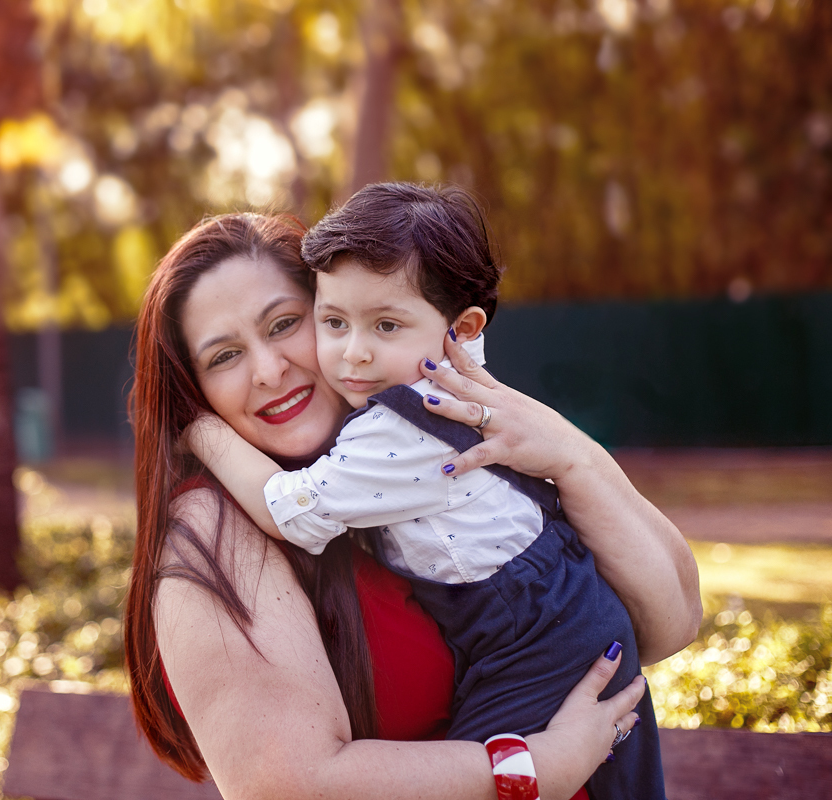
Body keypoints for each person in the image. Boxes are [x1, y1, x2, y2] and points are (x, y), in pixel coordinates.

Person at [124, 211, 701, 800]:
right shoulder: (214, 529)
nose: (270, 371)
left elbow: (672, 621)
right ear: (192, 389)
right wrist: (537, 768)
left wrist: (570, 456)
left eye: (286, 323)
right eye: (224, 357)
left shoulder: (427, 437)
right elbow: (283, 786)